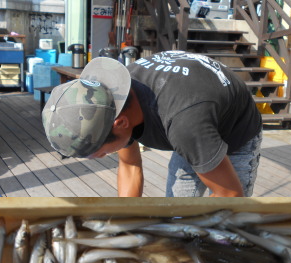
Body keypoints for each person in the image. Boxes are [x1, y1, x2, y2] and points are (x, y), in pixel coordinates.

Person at [42, 51, 262, 197]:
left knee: (231, 226)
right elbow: (130, 167)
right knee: (176, 215)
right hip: (193, 121)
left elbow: (230, 196)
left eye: (95, 153)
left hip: (235, 129)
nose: (95, 158)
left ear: (120, 123)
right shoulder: (112, 97)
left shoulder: (184, 125)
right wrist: (126, 226)